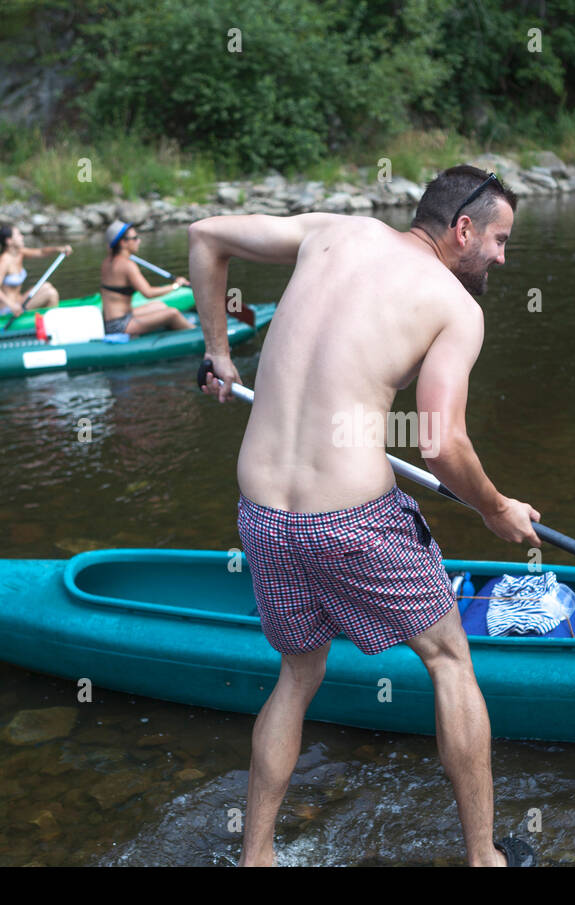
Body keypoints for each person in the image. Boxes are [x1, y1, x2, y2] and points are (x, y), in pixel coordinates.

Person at [189, 165, 541, 867]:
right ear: (462, 228)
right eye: (500, 241)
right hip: (352, 520)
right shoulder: (454, 306)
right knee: (448, 660)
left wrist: (219, 352)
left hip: (262, 514)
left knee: (296, 673)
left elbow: (204, 237)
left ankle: (256, 859)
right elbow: (440, 443)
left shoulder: (332, 231)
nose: (503, 257)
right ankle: (484, 858)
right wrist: (498, 510)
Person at [100, 220, 191, 335]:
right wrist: (176, 286)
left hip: (116, 318)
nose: (139, 241)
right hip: (119, 325)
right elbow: (148, 293)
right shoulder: (127, 265)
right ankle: (193, 332)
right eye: (135, 238)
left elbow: (110, 247)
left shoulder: (107, 262)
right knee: (172, 313)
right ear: (123, 243)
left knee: (160, 305)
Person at [0, 225, 70, 318]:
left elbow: (41, 252)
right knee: (51, 294)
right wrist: (12, 306)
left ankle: (45, 319)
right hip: (9, 309)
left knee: (47, 286)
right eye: (18, 235)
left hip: (20, 301)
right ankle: (49, 322)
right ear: (9, 241)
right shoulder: (4, 261)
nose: (22, 237)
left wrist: (57, 249)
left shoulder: (19, 253)